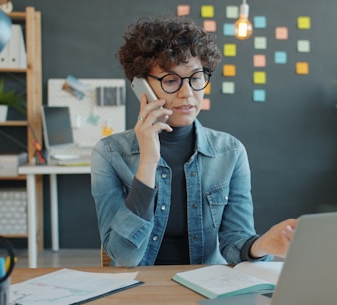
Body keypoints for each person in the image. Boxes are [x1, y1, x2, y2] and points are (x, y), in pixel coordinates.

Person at [91, 15, 297, 267]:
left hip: (206, 285)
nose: (187, 93)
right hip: (138, 288)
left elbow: (234, 243)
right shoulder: (110, 153)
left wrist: (261, 245)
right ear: (141, 86)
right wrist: (148, 162)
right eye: (170, 80)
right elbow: (124, 257)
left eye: (196, 78)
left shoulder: (230, 152)